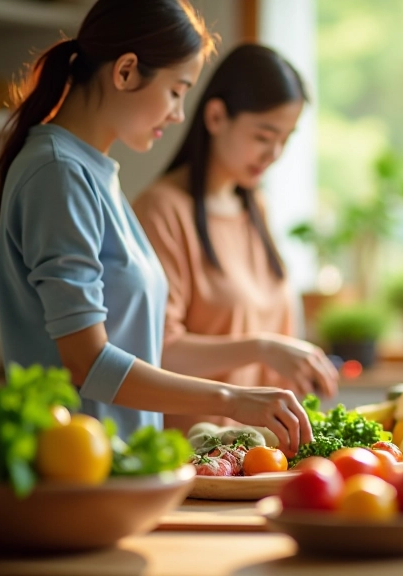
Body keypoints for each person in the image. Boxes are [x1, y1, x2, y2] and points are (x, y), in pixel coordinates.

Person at [0, 0, 311, 455]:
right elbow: (87, 362)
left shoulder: (92, 172)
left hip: (118, 465)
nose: (180, 113)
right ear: (125, 72)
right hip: (75, 468)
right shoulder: (58, 172)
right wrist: (231, 399)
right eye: (177, 90)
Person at [133, 44, 338, 434]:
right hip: (197, 455)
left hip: (260, 456)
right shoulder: (162, 210)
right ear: (216, 116)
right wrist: (263, 346)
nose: (274, 153)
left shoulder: (255, 208)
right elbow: (156, 351)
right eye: (264, 136)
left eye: (286, 138)